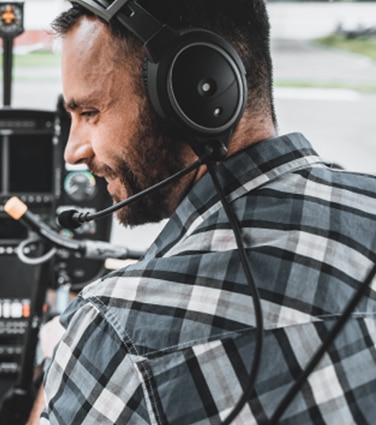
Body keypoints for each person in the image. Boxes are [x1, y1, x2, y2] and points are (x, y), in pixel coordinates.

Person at [36, 1, 376, 424]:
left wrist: (62, 358)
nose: (73, 151)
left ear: (195, 89)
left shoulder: (116, 333)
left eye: (89, 113)